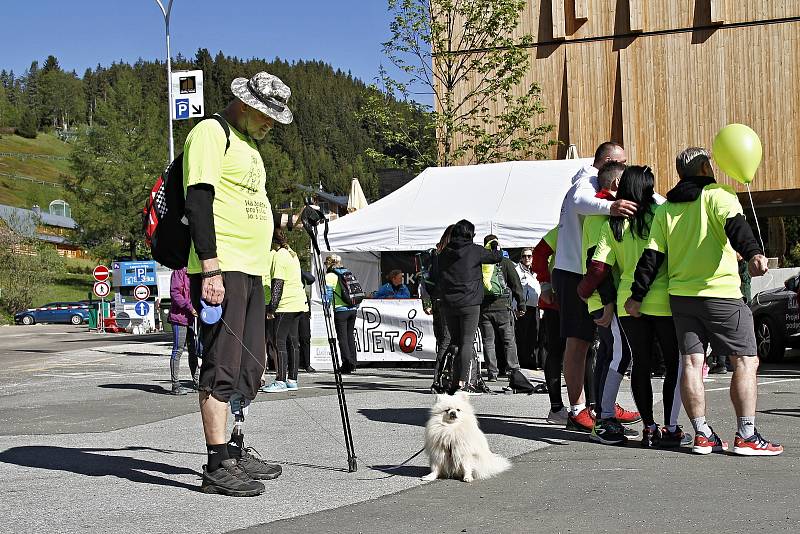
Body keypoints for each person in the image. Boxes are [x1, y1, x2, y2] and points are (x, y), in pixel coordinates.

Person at [184, 71, 302, 496]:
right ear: (247, 105)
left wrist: (297, 220)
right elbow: (198, 199)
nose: (272, 123)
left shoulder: (250, 145)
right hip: (224, 266)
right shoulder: (211, 133)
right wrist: (211, 268)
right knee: (222, 365)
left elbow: (251, 205)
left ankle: (234, 450)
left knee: (251, 367)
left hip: (253, 269)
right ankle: (216, 466)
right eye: (267, 115)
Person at [626, 147, 782, 456]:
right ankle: (746, 435)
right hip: (720, 294)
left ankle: (702, 434)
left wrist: (636, 296)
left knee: (693, 363)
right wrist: (753, 254)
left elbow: (651, 257)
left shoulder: (667, 209)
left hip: (682, 298)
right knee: (746, 360)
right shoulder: (717, 194)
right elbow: (736, 227)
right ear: (704, 168)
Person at [580, 165, 687, 448]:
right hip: (663, 297)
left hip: (628, 302)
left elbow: (598, 267)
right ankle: (672, 427)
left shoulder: (611, 224)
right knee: (674, 363)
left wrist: (583, 291)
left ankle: (649, 427)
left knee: (639, 362)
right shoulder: (661, 215)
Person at [551, 142, 637, 432]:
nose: (626, 167)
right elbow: (579, 202)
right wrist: (612, 206)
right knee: (578, 342)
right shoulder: (586, 180)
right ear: (608, 162)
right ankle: (577, 410)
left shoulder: (594, 183)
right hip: (575, 272)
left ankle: (602, 404)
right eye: (622, 162)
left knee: (600, 343)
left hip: (588, 271)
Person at [576, 162, 641, 444]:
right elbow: (597, 265)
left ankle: (605, 415)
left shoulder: (601, 213)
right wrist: (608, 302)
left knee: (609, 355)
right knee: (618, 355)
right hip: (605, 299)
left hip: (604, 298)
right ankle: (603, 419)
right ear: (616, 186)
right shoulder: (601, 216)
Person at [437, 220, 503, 395]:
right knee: (467, 342)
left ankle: (451, 379)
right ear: (470, 235)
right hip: (470, 303)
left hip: (449, 303)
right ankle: (461, 381)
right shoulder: (474, 250)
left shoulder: (444, 253)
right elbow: (497, 257)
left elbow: (435, 274)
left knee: (455, 341)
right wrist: (495, 245)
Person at [261, 230, 309, 392]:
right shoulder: (291, 254)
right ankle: (292, 380)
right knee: (293, 342)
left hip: (285, 305)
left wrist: (272, 308)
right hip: (298, 302)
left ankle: (280, 380)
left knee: (278, 342)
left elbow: (278, 283)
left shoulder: (278, 256)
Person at [479, 235, 525, 381]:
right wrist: (521, 304)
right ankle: (513, 370)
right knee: (508, 341)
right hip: (503, 307)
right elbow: (516, 285)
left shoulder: (479, 263)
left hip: (484, 308)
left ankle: (492, 373)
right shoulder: (505, 262)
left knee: (488, 341)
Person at [324, 254, 359, 373]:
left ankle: (346, 364)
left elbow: (327, 294)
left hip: (340, 310)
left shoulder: (330, 276)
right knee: (350, 336)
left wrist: (326, 306)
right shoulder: (348, 272)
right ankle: (353, 363)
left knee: (342, 338)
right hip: (352, 309)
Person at [167, 267, 198, 395]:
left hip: (192, 318)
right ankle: (175, 384)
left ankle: (197, 381)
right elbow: (175, 294)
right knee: (178, 350)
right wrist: (190, 308)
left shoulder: (195, 271)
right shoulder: (178, 272)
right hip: (179, 318)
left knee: (194, 350)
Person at [515, 247, 541, 369]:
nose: (527, 258)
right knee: (522, 336)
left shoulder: (535, 271)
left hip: (535, 306)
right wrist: (517, 307)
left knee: (534, 335)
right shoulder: (517, 271)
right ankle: (522, 362)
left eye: (529, 256)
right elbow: (513, 290)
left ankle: (533, 362)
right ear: (521, 257)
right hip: (523, 306)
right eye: (524, 256)